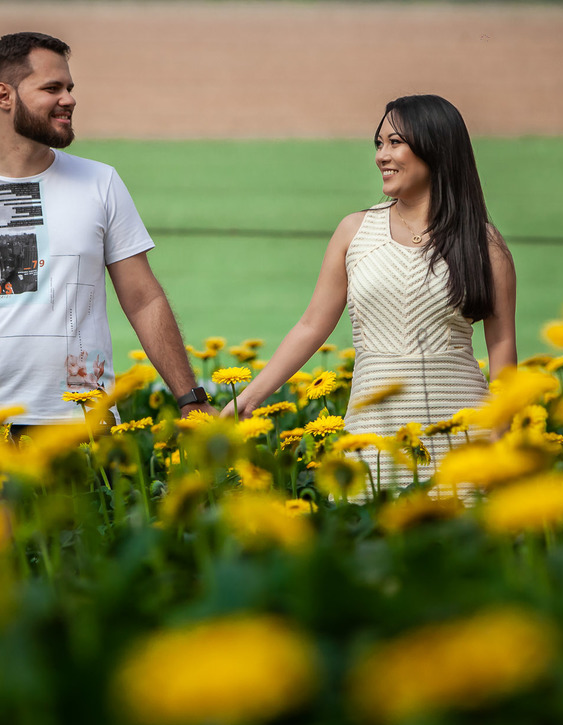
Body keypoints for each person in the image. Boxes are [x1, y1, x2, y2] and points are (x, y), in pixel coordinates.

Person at [0, 32, 213, 490]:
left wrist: (190, 398)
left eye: (69, 89)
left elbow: (144, 299)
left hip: (87, 424)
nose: (69, 99)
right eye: (52, 89)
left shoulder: (100, 182)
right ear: (3, 96)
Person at [221, 95, 517, 488]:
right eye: (379, 143)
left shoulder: (484, 243)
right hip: (372, 434)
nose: (382, 156)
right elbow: (311, 325)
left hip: (464, 440)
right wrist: (249, 397)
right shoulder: (354, 232)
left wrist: (498, 438)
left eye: (395, 142)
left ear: (436, 147)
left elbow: (502, 347)